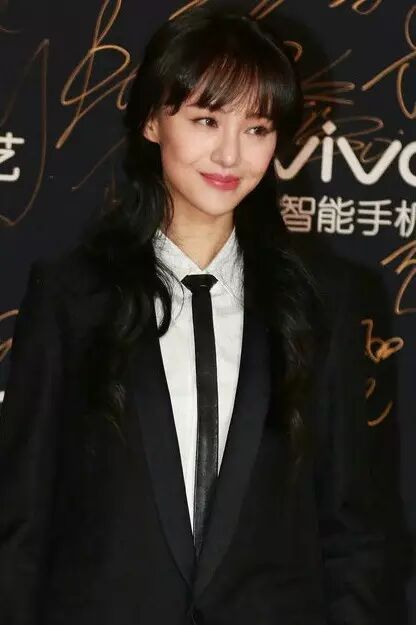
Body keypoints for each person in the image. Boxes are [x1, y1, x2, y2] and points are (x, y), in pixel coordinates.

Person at [0, 5, 387, 625]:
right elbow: (20, 524)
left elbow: (354, 531)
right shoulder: (72, 296)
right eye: (207, 120)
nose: (230, 155)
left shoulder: (324, 302)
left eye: (257, 128)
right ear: (153, 121)